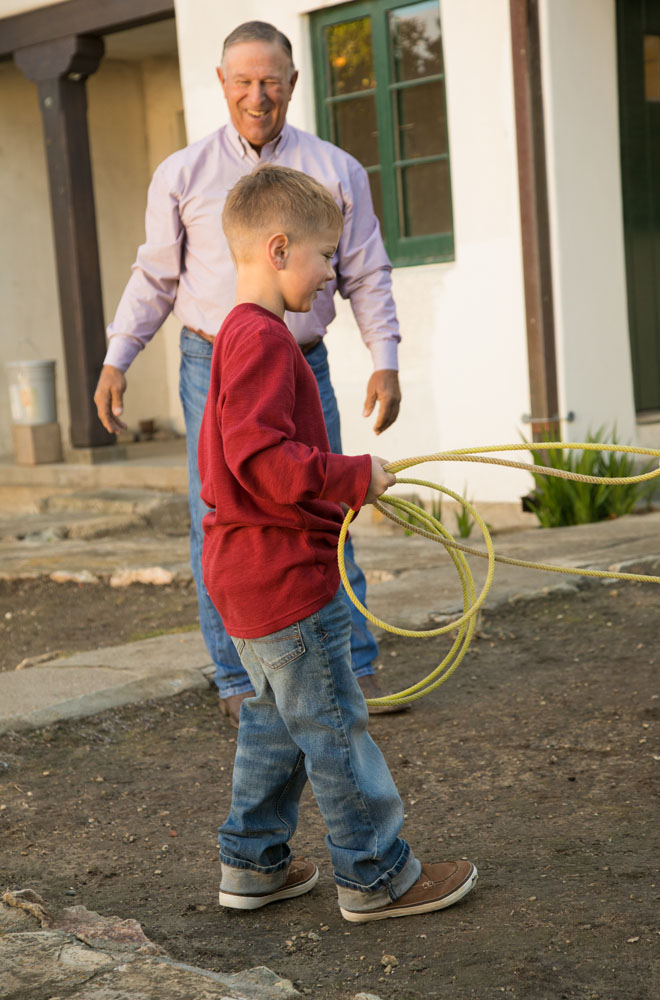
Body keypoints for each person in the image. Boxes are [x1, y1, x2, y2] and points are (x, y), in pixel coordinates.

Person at [93, 20, 405, 727]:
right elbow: (154, 276)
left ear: (293, 83)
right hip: (213, 360)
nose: (257, 96)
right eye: (243, 82)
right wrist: (119, 356)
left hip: (304, 359)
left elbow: (367, 272)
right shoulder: (182, 173)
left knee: (327, 504)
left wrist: (384, 359)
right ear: (222, 85)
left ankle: (349, 668)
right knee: (223, 517)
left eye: (270, 81)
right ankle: (243, 681)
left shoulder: (336, 169)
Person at [201, 161, 477, 921]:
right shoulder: (260, 340)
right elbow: (260, 460)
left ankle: (250, 864)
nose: (331, 274)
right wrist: (356, 476)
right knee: (332, 727)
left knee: (272, 724)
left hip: (245, 577)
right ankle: (377, 876)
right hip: (284, 577)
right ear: (280, 249)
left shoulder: (237, 335)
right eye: (326, 256)